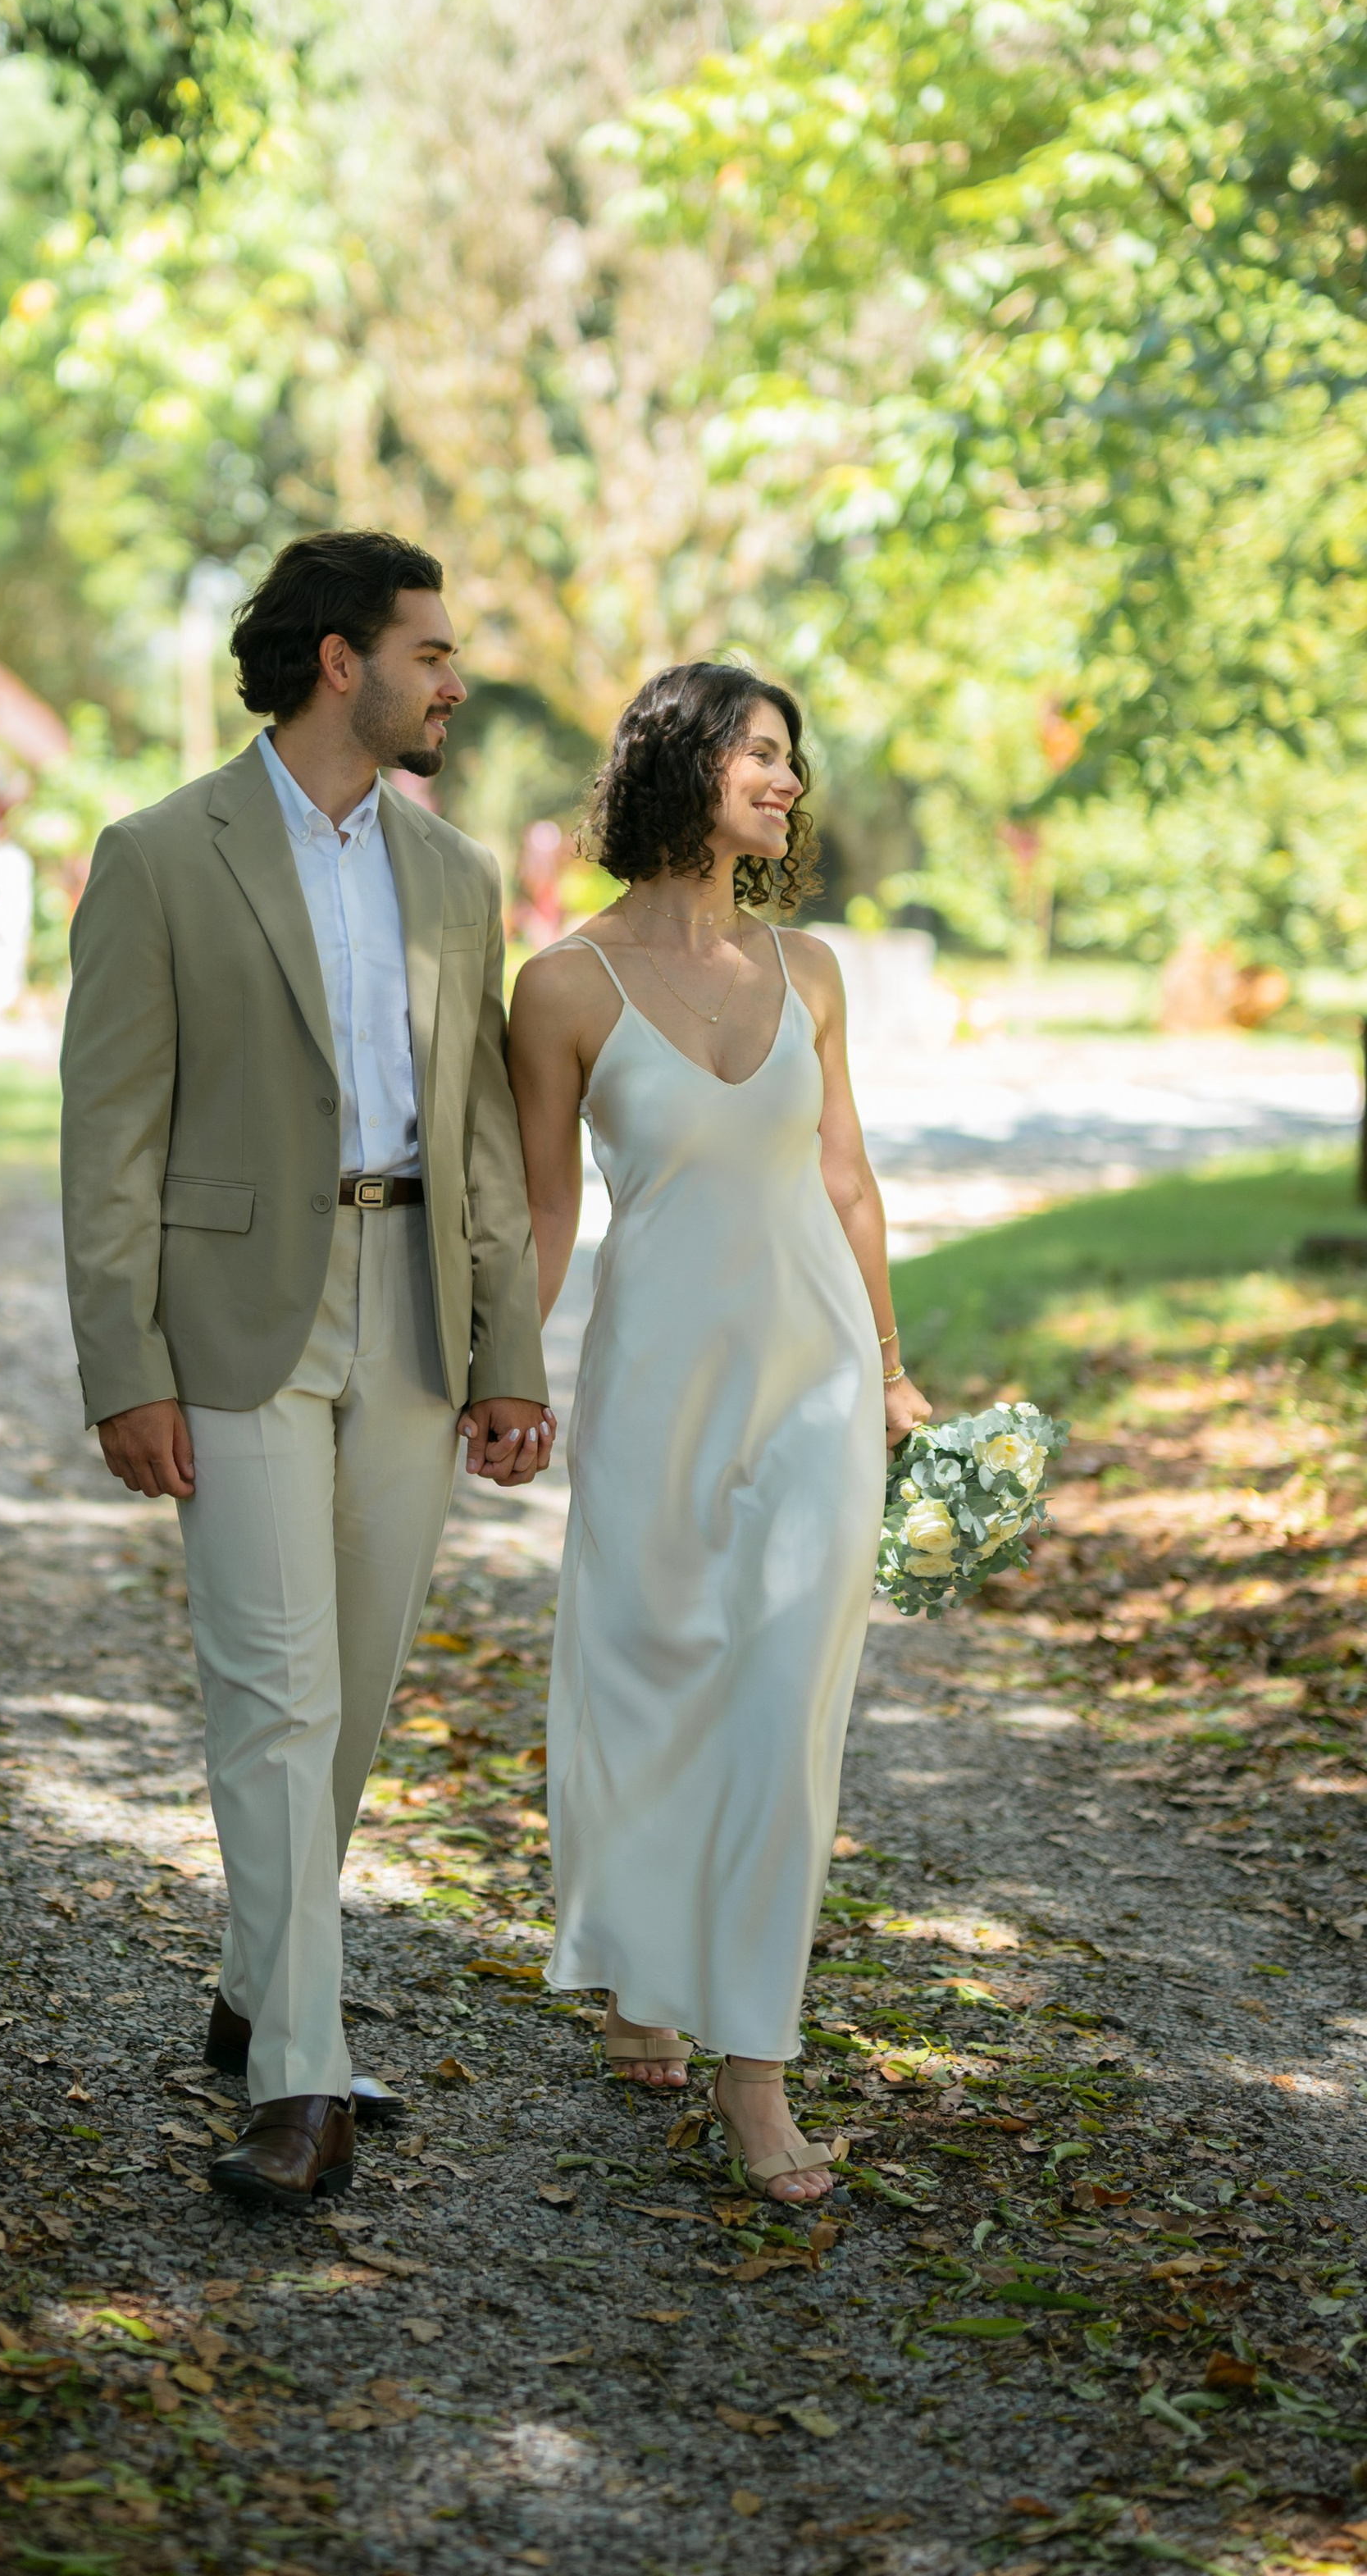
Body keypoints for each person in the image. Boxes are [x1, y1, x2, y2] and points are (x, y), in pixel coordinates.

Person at [61, 530, 554, 2211]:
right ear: (338, 660)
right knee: (269, 1691)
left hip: (409, 1305)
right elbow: (107, 1135)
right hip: (234, 1316)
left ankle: (259, 1978)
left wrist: (509, 1348)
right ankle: (300, 2079)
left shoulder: (455, 877)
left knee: (344, 1694)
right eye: (430, 650)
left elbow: (480, 1137)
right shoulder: (157, 856)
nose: (452, 679)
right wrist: (119, 1360)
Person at [506, 663, 932, 2206]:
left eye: (792, 759)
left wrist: (888, 1369)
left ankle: (755, 2067)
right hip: (656, 1382)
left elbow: (849, 1182)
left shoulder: (810, 968)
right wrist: (500, 1376)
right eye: (761, 751)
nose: (787, 780)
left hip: (815, 1377)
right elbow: (548, 1213)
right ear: (684, 765)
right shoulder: (561, 987)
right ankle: (636, 1965)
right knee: (645, 1672)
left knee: (781, 1708)